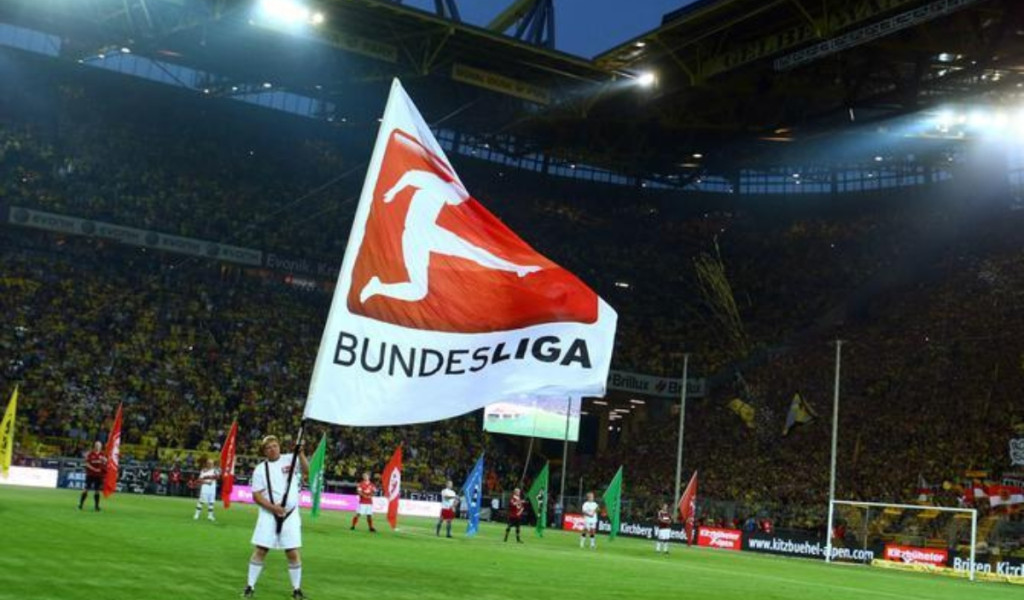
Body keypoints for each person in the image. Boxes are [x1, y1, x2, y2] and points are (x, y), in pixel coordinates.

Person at [243, 435, 310, 600]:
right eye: (268, 447)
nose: (272, 449)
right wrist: (274, 508)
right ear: (264, 451)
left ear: (279, 446)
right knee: (261, 549)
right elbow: (256, 496)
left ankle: (296, 589)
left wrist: (301, 453)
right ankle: (250, 586)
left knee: (292, 552)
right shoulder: (260, 469)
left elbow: (307, 471)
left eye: (275, 446)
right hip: (269, 514)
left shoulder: (290, 459)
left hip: (291, 514)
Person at [78, 441, 106, 511]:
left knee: (97, 490)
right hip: (90, 474)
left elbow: (106, 462)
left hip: (98, 475)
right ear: (95, 446)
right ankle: (81, 504)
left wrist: (105, 460)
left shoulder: (102, 454)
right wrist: (94, 469)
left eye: (99, 445)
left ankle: (96, 506)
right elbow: (87, 464)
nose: (98, 447)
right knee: (86, 489)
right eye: (97, 445)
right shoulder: (90, 454)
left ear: (101, 447)